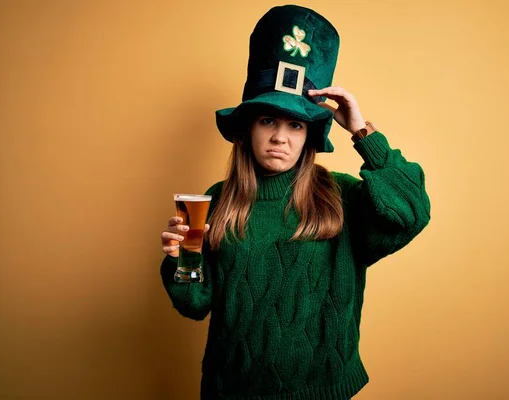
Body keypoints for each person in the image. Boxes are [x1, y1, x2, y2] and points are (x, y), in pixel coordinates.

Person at [160, 5, 431, 399]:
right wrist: (182, 259)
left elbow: (412, 212)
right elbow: (194, 303)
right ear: (248, 127)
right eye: (268, 120)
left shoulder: (342, 198)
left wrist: (363, 131)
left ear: (310, 136)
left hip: (320, 390)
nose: (280, 137)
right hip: (231, 390)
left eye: (296, 124)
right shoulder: (218, 201)